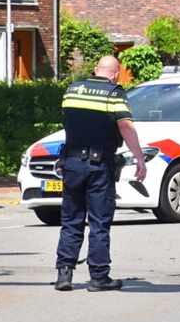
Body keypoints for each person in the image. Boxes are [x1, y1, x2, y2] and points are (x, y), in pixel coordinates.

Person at [54, 56, 147, 292]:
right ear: (116, 74)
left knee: (71, 220)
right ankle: (99, 277)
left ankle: (64, 274)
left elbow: (69, 121)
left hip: (71, 164)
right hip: (98, 166)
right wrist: (139, 157)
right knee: (98, 222)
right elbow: (125, 126)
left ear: (96, 70)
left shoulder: (72, 90)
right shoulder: (114, 93)